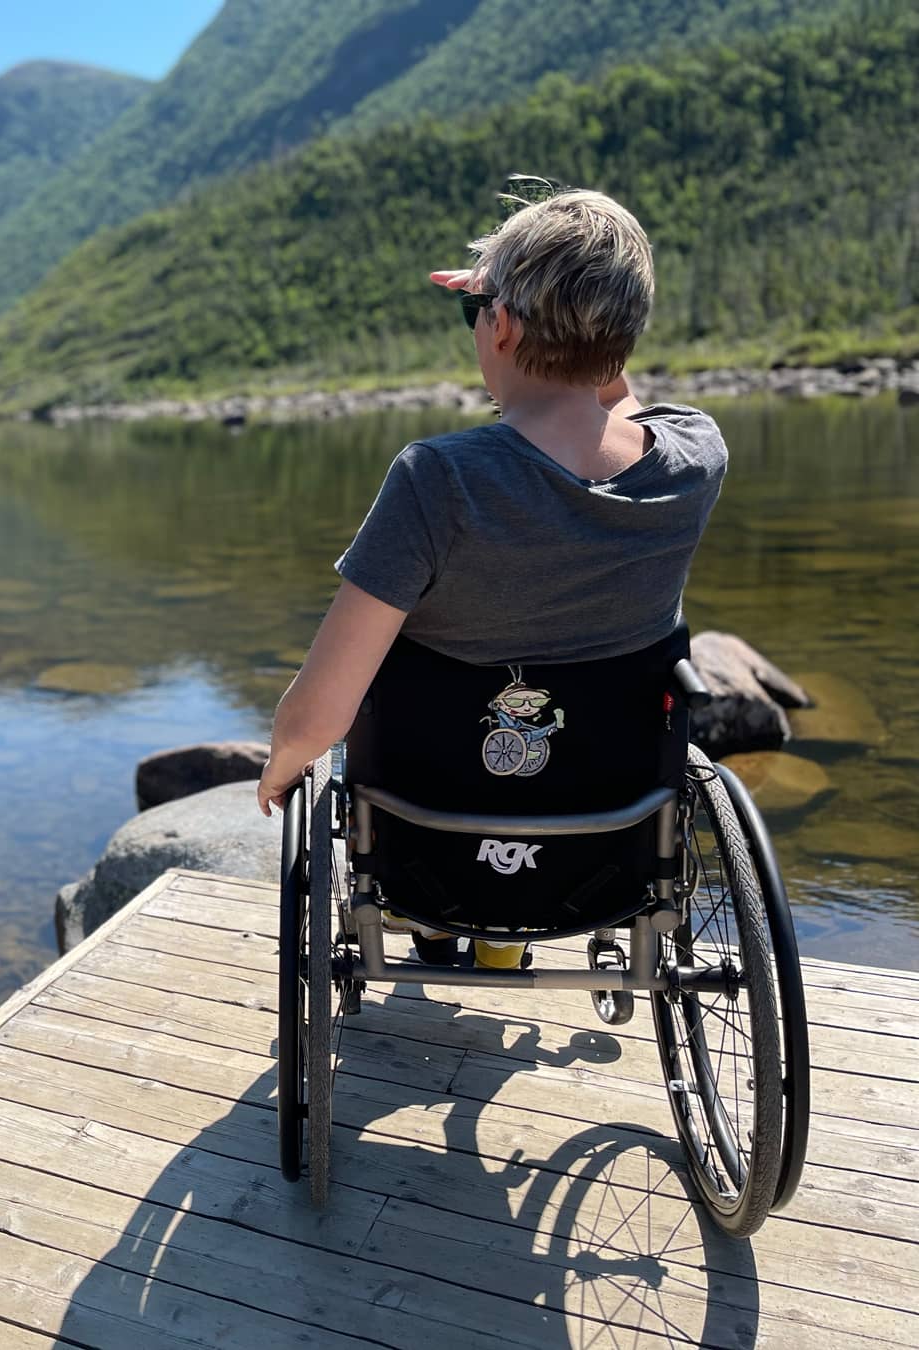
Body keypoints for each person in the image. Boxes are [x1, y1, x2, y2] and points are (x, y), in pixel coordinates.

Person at [254, 186, 727, 968]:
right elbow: (620, 401)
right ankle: (516, 936)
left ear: (499, 325)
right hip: (606, 849)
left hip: (429, 848)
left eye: (477, 314)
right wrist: (579, 330)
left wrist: (282, 761)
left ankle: (453, 923)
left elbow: (318, 719)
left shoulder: (438, 480)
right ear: (626, 338)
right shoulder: (693, 459)